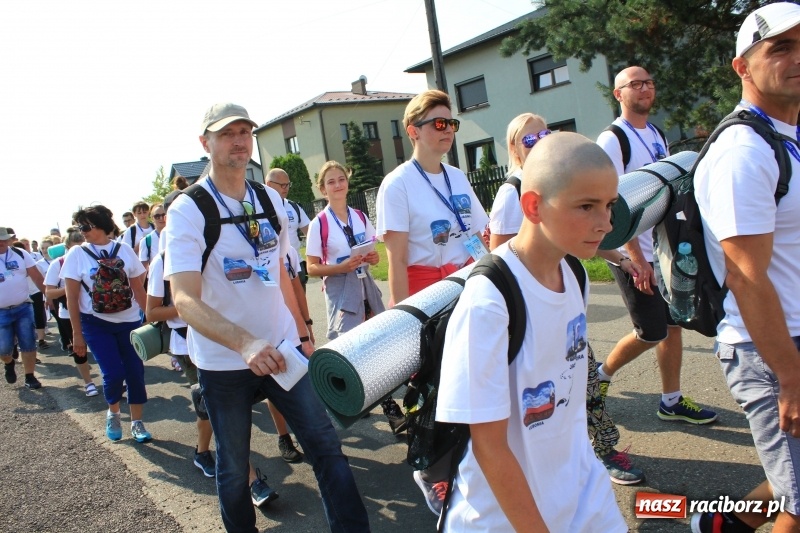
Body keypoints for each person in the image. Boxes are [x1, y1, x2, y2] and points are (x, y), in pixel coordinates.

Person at [165, 102, 369, 533]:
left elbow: (280, 272)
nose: (239, 141)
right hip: (224, 362)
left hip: (281, 349)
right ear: (205, 143)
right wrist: (244, 343)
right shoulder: (188, 209)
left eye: (245, 132)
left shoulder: (269, 199)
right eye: (227, 133)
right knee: (234, 467)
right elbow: (183, 299)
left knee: (326, 447)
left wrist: (303, 335)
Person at [436, 132, 625, 531]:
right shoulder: (488, 300)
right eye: (587, 206)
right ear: (533, 206)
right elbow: (489, 447)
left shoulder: (574, 272)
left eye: (609, 205)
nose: (605, 223)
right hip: (505, 517)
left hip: (583, 494)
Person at [486, 112, 645, 486]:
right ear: (514, 148)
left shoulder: (568, 190)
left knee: (582, 382)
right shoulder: (511, 193)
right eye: (529, 139)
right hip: (530, 311)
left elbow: (581, 233)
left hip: (564, 292)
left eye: (545, 134)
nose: (539, 141)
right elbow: (499, 254)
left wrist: (621, 258)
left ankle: (598, 451)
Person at [691, 4, 800, 532]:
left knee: (792, 485)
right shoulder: (743, 151)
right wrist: (791, 376)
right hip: (770, 349)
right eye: (781, 48)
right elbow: (746, 276)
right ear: (743, 66)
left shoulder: (787, 135)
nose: (797, 58)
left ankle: (722, 525)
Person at [376, 88, 491, 506]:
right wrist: (403, 320)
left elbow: (479, 236)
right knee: (435, 387)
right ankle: (431, 471)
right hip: (425, 293)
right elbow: (396, 259)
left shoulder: (457, 176)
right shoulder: (397, 184)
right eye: (439, 123)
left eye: (451, 123)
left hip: (464, 283)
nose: (448, 130)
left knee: (472, 378)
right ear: (413, 131)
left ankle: (470, 463)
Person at [595, 65, 718, 425]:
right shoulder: (613, 140)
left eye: (648, 82)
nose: (644, 88)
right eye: (635, 84)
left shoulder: (655, 133)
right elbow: (614, 205)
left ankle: (671, 401)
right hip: (631, 255)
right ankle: (599, 376)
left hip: (661, 249)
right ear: (618, 94)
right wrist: (636, 259)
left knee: (674, 325)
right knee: (650, 332)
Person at [61, 205, 151, 442]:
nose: (82, 231)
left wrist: (152, 320)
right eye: (79, 227)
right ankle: (114, 413)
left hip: (129, 322)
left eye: (85, 226)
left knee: (135, 372)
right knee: (113, 373)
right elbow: (71, 298)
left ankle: (137, 423)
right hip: (95, 323)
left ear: (100, 225)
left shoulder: (124, 250)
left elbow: (138, 289)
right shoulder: (76, 254)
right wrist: (77, 334)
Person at [306, 161, 384, 340]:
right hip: (340, 292)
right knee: (348, 343)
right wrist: (341, 267)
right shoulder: (319, 223)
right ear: (323, 189)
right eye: (331, 182)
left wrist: (373, 258)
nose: (338, 185)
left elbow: (374, 250)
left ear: (347, 183)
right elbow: (311, 268)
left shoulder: (360, 216)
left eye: (342, 179)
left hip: (366, 288)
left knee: (375, 341)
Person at [44, 228, 99, 396]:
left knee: (101, 346)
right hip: (68, 313)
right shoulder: (58, 263)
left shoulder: (93, 258)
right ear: (67, 247)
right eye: (75, 247)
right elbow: (49, 292)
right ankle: (88, 382)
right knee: (79, 349)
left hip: (94, 311)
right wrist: (70, 288)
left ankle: (112, 379)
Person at [0, 227, 45, 389]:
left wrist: (48, 296)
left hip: (23, 307)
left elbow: (37, 277)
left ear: (9, 240)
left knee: (28, 342)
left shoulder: (20, 254)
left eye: (4, 239)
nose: (1, 242)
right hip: (1, 312)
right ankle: (9, 362)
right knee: (3, 350)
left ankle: (29, 376)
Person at [267, 168, 311, 290]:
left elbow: (311, 234)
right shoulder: (257, 208)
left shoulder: (294, 207)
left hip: (296, 266)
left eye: (288, 184)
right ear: (269, 184)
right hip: (271, 269)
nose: (286, 188)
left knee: (300, 302)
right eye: (282, 185)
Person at [14, 241, 50, 349]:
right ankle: (16, 344)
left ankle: (41, 339)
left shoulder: (30, 261)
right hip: (20, 296)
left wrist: (47, 295)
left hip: (35, 291)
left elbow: (39, 278)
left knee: (38, 315)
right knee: (21, 320)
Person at [138, 203, 166, 271]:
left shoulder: (177, 235)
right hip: (158, 276)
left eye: (164, 215)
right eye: (157, 216)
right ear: (152, 218)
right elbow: (143, 268)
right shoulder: (146, 240)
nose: (161, 218)